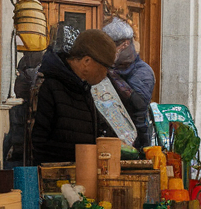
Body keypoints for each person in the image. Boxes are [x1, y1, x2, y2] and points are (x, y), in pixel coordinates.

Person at [30, 29, 117, 163]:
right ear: (87, 61)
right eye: (105, 67)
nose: (106, 74)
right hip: (56, 177)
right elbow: (36, 143)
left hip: (81, 176)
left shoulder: (84, 88)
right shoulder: (48, 85)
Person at [102, 17, 156, 149]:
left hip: (136, 141)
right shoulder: (111, 68)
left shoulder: (143, 71)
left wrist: (111, 74)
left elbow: (139, 103)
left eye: (110, 47)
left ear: (125, 45)